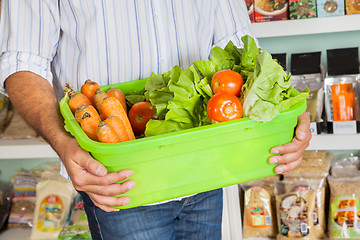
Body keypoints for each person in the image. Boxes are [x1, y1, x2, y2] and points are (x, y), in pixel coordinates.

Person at [0, 1, 311, 239]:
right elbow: (22, 62)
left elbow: (241, 50)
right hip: (121, 182)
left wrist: (286, 112)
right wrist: (62, 141)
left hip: (207, 164)